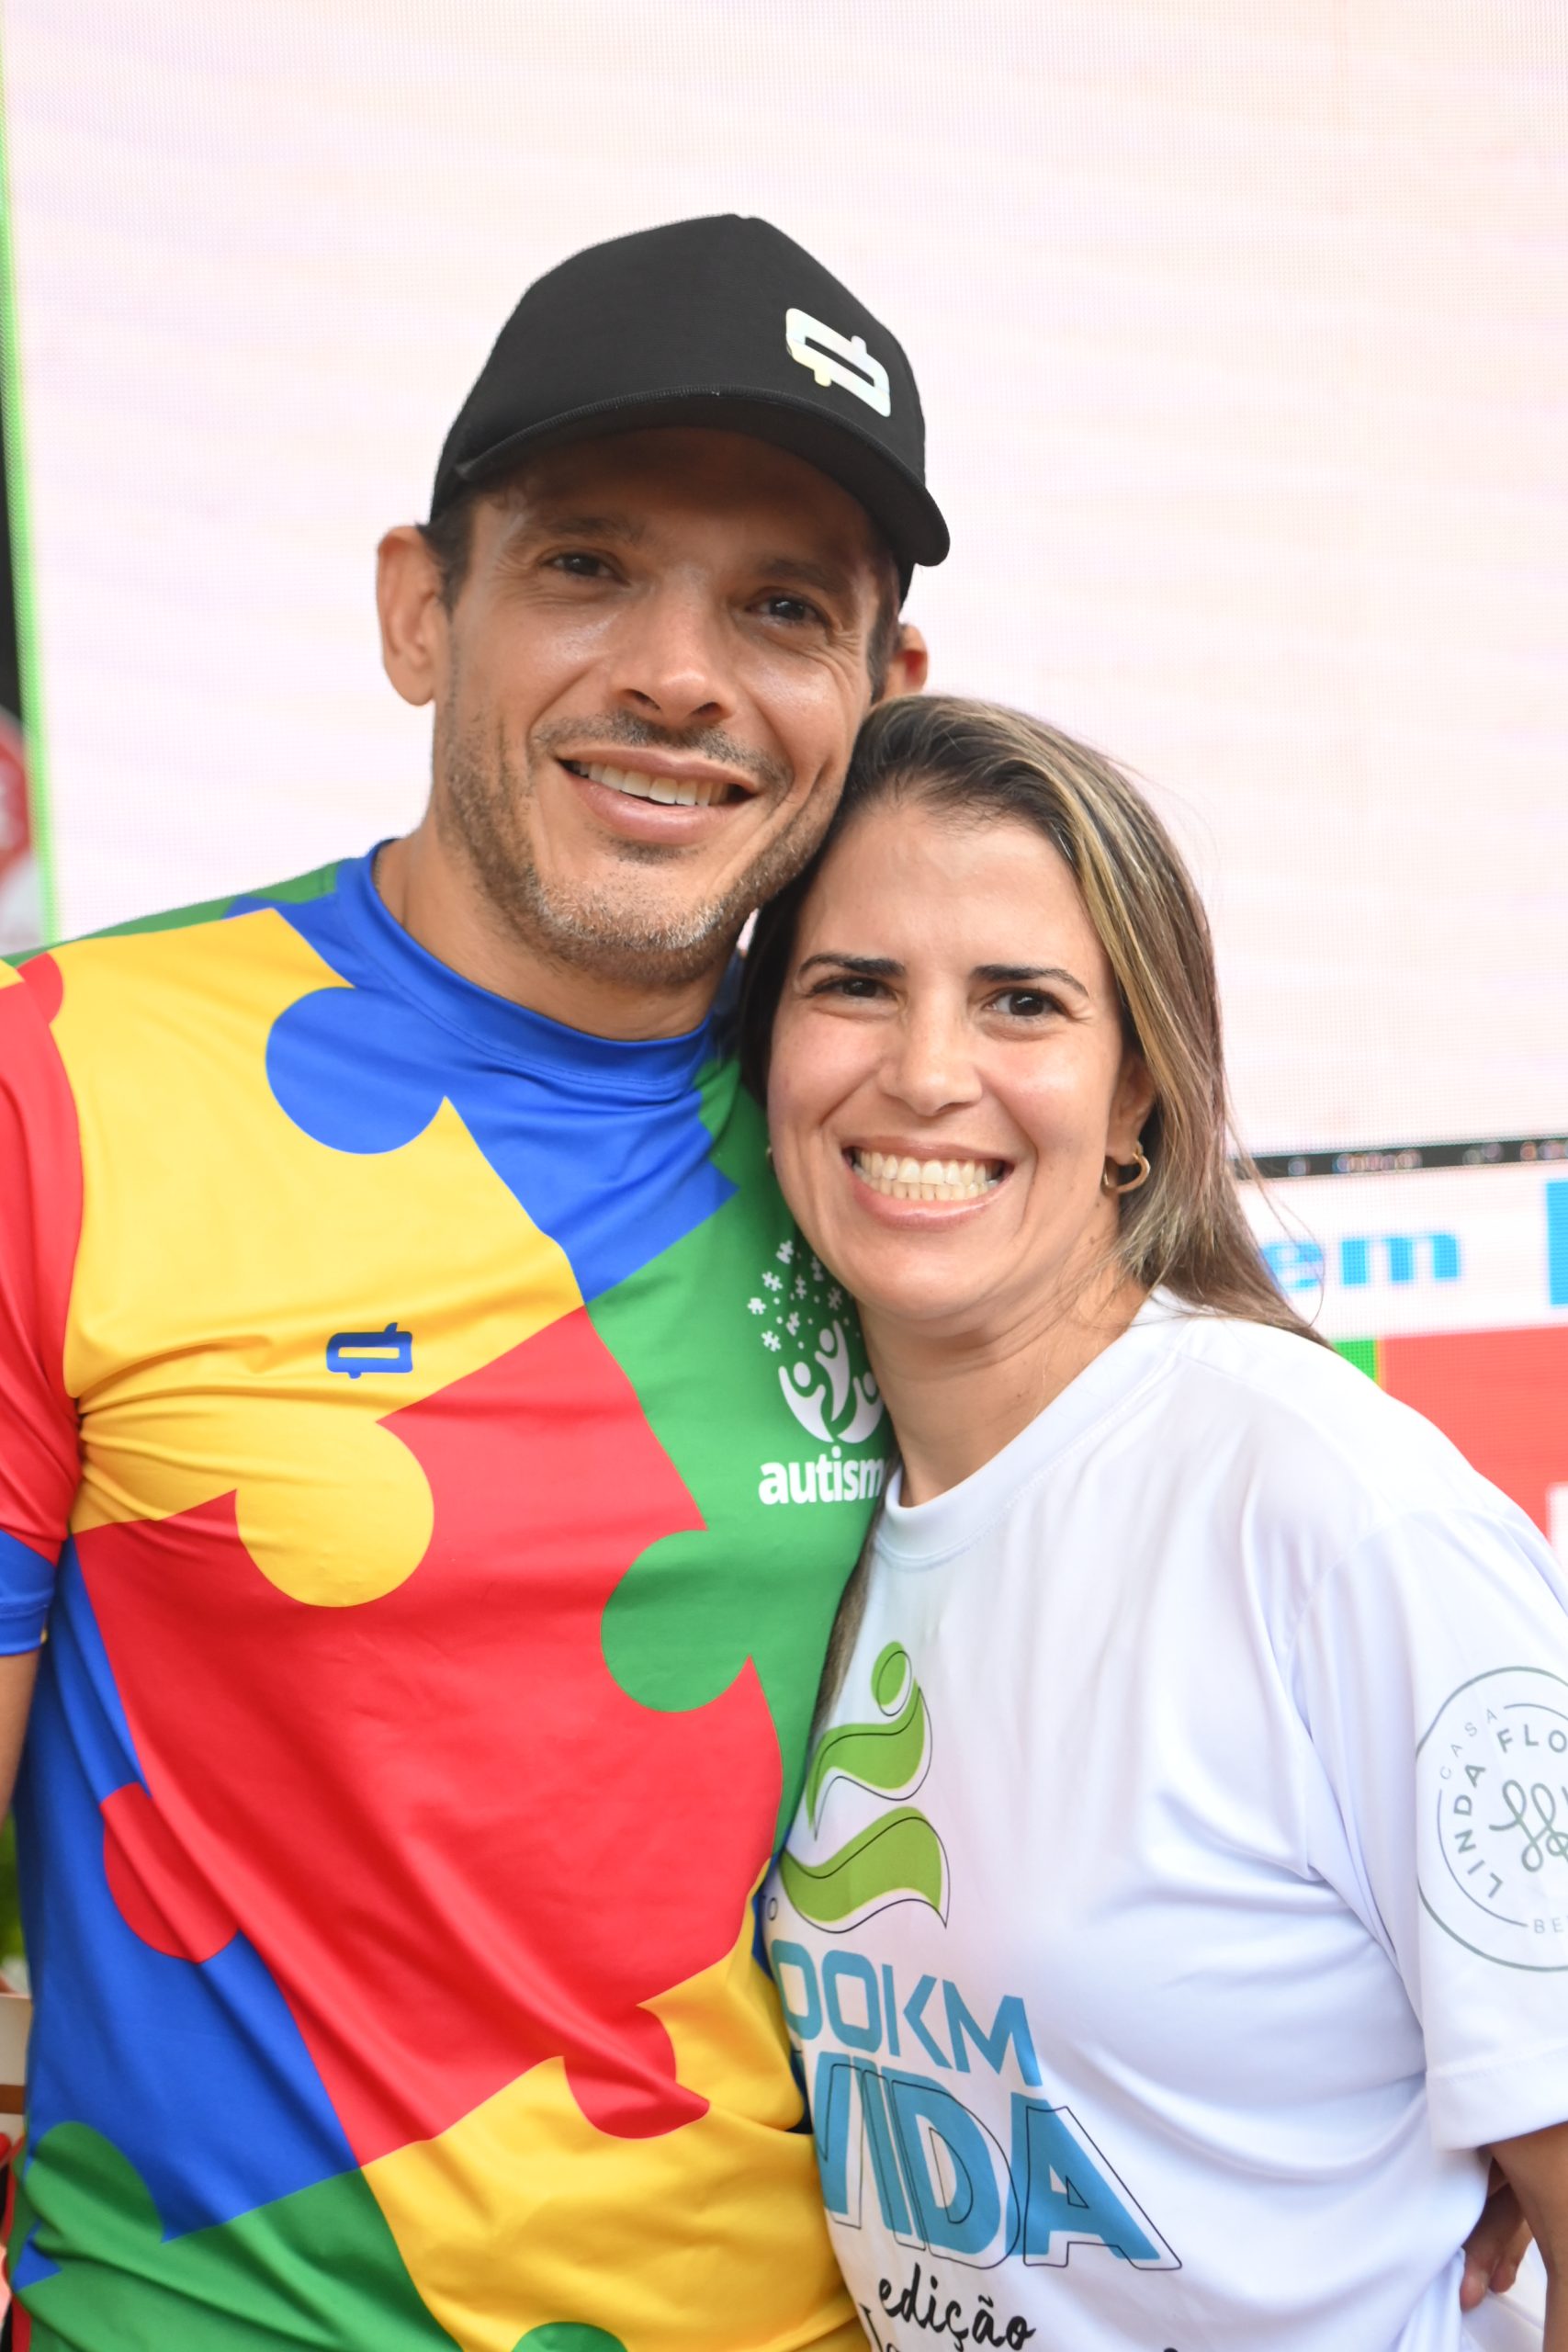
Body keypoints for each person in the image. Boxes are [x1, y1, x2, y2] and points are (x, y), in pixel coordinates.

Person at [0, 215, 941, 2348]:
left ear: (881, 695)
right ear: (422, 609)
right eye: (587, 565)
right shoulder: (60, 1091)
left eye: (779, 604)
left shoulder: (910, 1144)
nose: (679, 673)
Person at [745, 695, 1563, 2351]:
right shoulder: (799, 1520)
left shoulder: (1334, 1515)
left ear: (1134, 1099)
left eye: (1022, 1002)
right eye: (855, 985)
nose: (925, 1073)